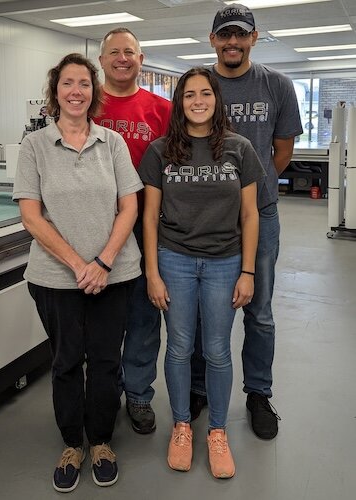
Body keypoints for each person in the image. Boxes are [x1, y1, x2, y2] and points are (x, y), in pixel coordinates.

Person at [13, 53, 143, 492]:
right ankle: (73, 443)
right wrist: (77, 265)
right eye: (67, 83)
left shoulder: (113, 143)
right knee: (67, 361)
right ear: (56, 92)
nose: (76, 91)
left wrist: (103, 261)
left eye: (84, 84)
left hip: (115, 273)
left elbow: (130, 205)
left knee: (106, 362)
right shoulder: (34, 146)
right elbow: (31, 216)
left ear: (95, 92)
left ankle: (102, 441)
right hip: (55, 278)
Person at [139, 67, 265, 477]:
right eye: (189, 94)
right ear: (179, 102)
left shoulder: (239, 148)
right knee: (178, 346)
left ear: (216, 99)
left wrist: (247, 271)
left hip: (225, 261)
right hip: (174, 259)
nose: (197, 100)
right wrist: (153, 273)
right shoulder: (160, 151)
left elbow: (250, 214)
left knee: (216, 350)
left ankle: (216, 431)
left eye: (205, 93)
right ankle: (181, 425)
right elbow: (150, 217)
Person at [190, 4, 303, 439]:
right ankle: (198, 389)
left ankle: (258, 394)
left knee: (259, 311)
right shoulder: (200, 85)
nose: (232, 42)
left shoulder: (277, 84)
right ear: (213, 39)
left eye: (241, 34)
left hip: (263, 215)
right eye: (224, 35)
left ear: (255, 38)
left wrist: (255, 193)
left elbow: (282, 150)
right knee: (202, 311)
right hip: (206, 218)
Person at [94, 27, 172, 434]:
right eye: (114, 53)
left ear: (141, 60)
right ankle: (105, 389)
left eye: (130, 52)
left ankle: (139, 395)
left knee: (144, 314)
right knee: (101, 314)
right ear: (102, 61)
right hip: (95, 229)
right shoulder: (84, 106)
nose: (122, 58)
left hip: (146, 227)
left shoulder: (162, 109)